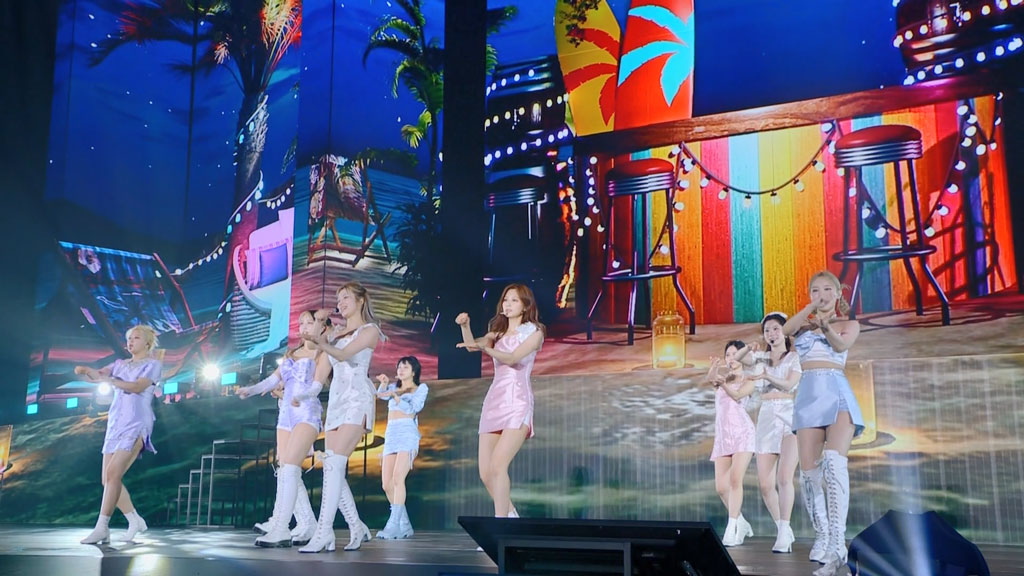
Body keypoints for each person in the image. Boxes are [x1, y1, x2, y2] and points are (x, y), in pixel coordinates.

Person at [783, 270, 864, 576]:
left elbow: (841, 347)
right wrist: (810, 310)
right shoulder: (803, 326)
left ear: (838, 293)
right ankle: (823, 534)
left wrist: (826, 326)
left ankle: (838, 544)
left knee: (833, 462)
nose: (822, 295)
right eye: (816, 290)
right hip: (808, 395)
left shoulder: (848, 324)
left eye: (828, 289)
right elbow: (787, 329)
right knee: (809, 472)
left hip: (836, 391)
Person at [299, 282, 382, 553]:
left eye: (346, 297)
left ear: (360, 300)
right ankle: (356, 526)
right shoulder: (334, 334)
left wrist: (324, 341)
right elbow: (320, 371)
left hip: (358, 399)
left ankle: (324, 532)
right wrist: (301, 395)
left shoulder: (370, 330)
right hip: (336, 401)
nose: (341, 303)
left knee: (335, 463)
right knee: (331, 466)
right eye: (339, 299)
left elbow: (345, 355)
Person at [237, 309, 328, 547]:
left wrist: (302, 396)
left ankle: (281, 527)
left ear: (321, 326)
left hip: (306, 412)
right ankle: (302, 522)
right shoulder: (291, 353)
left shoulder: (323, 353)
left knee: (290, 469)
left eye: (310, 322)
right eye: (301, 323)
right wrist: (250, 390)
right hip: (286, 415)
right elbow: (273, 380)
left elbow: (317, 385)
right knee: (285, 469)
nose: (304, 326)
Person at [456, 283, 544, 519]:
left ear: (525, 305)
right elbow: (473, 346)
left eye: (514, 300)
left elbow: (513, 358)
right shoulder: (496, 332)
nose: (508, 304)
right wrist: (465, 326)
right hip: (494, 401)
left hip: (518, 401)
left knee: (498, 466)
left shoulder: (535, 333)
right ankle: (511, 516)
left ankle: (501, 525)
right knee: (486, 473)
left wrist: (488, 350)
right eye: (506, 300)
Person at [75, 325, 163, 544]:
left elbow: (137, 387)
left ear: (147, 342)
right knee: (107, 479)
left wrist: (110, 380)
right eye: (129, 338)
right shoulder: (119, 364)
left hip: (137, 421)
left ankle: (102, 527)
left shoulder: (153, 365)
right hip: (115, 423)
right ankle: (134, 519)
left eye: (136, 338)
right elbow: (99, 376)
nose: (130, 341)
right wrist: (87, 371)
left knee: (113, 473)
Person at [735, 312, 802, 553]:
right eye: (767, 331)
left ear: (785, 331)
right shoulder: (761, 357)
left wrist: (766, 375)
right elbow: (739, 358)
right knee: (765, 485)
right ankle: (782, 527)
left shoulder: (794, 357)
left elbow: (790, 384)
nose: (771, 334)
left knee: (784, 478)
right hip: (766, 418)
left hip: (789, 415)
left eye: (775, 329)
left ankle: (783, 532)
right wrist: (749, 348)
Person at [707, 340, 757, 547]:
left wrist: (723, 383)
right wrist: (714, 367)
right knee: (721, 487)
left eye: (735, 354)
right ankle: (742, 522)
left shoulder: (749, 379)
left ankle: (732, 527)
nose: (731, 358)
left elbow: (737, 395)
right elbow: (710, 378)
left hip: (742, 434)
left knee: (735, 480)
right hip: (723, 436)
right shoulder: (722, 378)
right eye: (728, 355)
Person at [373, 356, 429, 539]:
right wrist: (383, 384)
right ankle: (404, 523)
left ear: (414, 371)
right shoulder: (393, 387)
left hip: (407, 433)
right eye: (399, 367)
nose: (401, 370)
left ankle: (393, 524)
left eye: (405, 367)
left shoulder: (421, 388)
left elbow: (414, 409)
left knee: (398, 477)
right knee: (386, 483)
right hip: (391, 434)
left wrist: (397, 397)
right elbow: (381, 396)